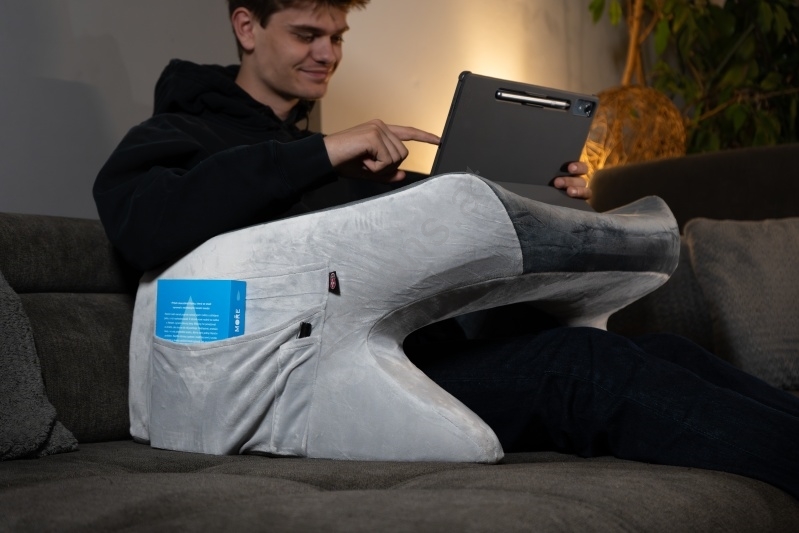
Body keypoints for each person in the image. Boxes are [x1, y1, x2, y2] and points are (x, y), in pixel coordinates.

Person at [93, 0, 799, 499]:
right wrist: (322, 152)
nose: (327, 54)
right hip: (314, 381)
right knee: (582, 368)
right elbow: (143, 221)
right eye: (307, 33)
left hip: (407, 348)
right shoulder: (181, 134)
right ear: (246, 27)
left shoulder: (338, 164)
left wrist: (543, 199)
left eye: (337, 36)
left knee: (663, 350)